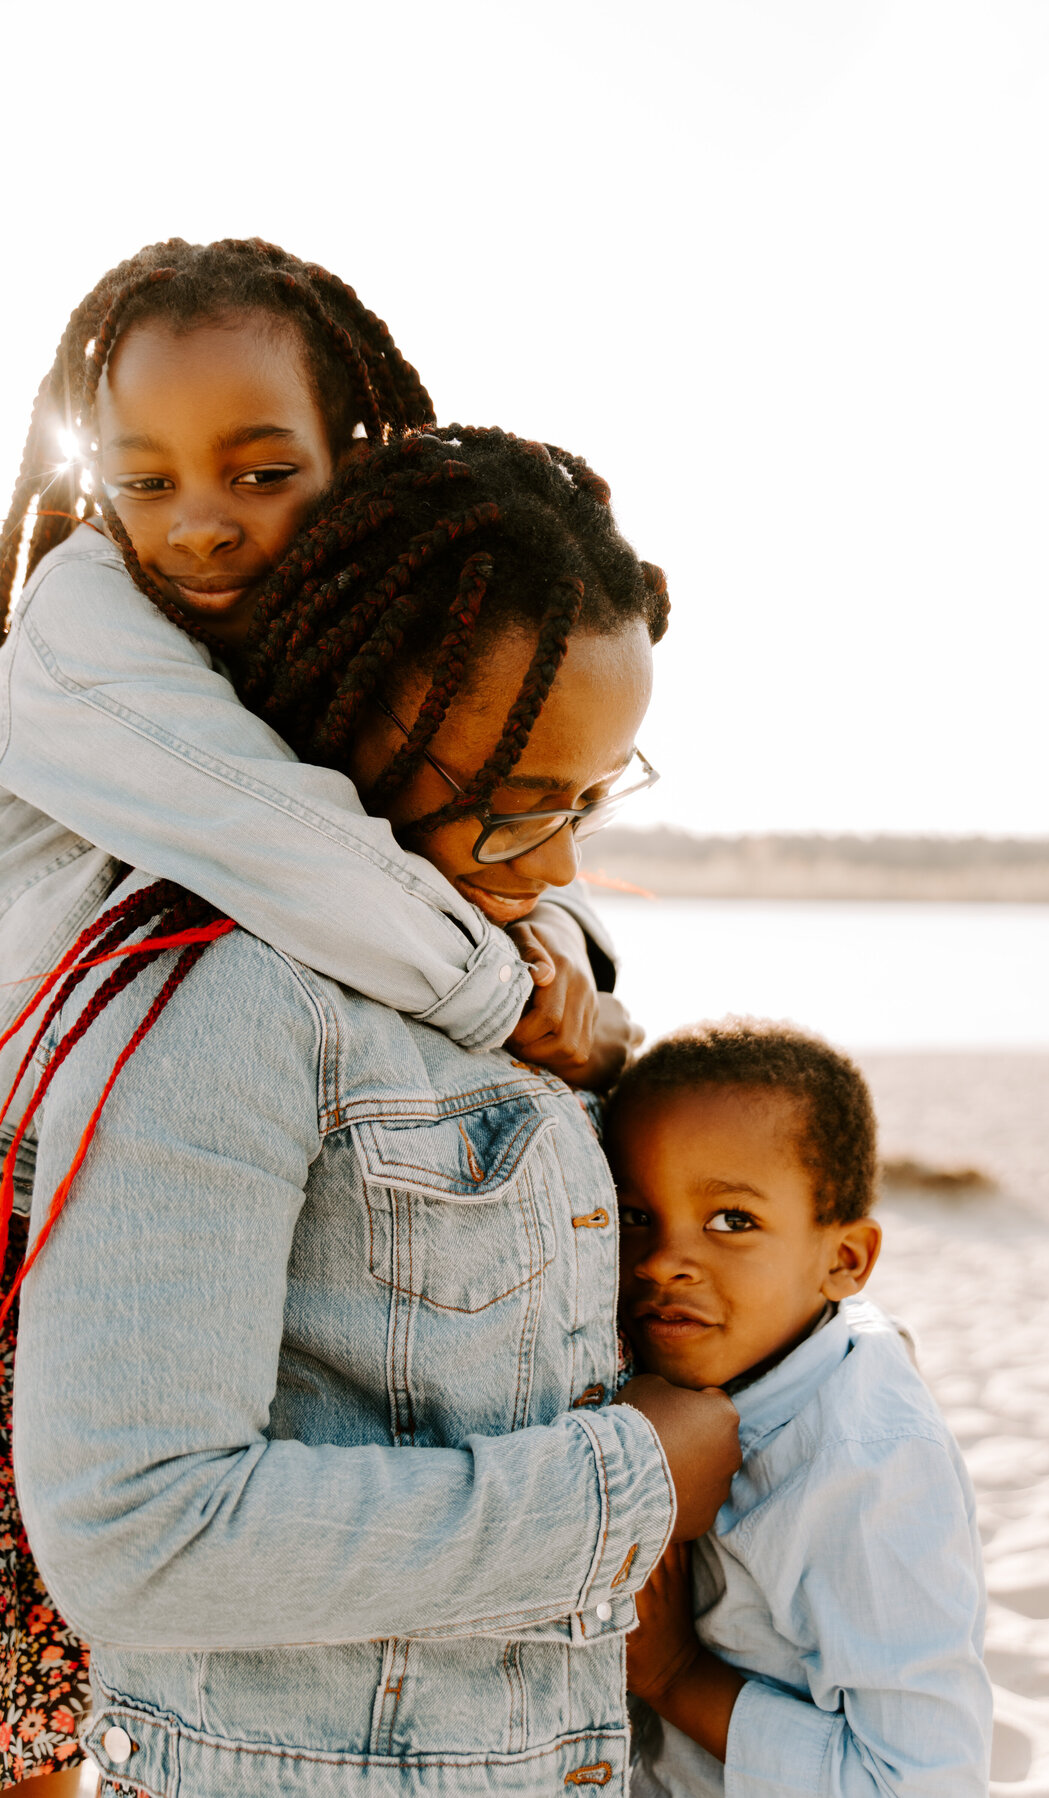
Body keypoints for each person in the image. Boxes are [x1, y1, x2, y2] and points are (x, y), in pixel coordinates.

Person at [14, 429, 743, 1798]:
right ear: (348, 714)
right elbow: (135, 1534)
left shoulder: (494, 965)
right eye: (523, 805)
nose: (568, 858)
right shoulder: (230, 1001)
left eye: (594, 798)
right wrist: (628, 1484)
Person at [609, 1019, 992, 1798]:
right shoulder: (745, 1348)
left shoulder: (868, 1466)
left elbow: (922, 1784)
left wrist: (678, 1675)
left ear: (843, 1262)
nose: (662, 1261)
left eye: (732, 1222)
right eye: (635, 1213)